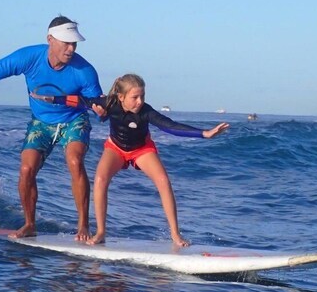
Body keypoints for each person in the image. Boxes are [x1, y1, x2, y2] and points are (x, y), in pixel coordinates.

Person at [31, 73, 229, 247]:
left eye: (142, 96)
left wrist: (204, 133)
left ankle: (175, 234)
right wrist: (49, 98)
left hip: (141, 149)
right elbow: (78, 101)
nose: (140, 101)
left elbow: (170, 126)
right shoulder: (109, 104)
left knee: (163, 181)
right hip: (116, 149)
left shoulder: (146, 111)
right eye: (135, 97)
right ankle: (100, 232)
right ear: (121, 97)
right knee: (100, 179)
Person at [0, 15, 103, 240]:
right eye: (66, 42)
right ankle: (29, 224)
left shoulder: (84, 71)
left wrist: (101, 110)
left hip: (74, 120)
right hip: (41, 122)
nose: (71, 48)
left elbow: (97, 105)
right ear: (50, 39)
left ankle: (83, 225)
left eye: (74, 43)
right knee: (26, 170)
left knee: (74, 160)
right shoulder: (29, 57)